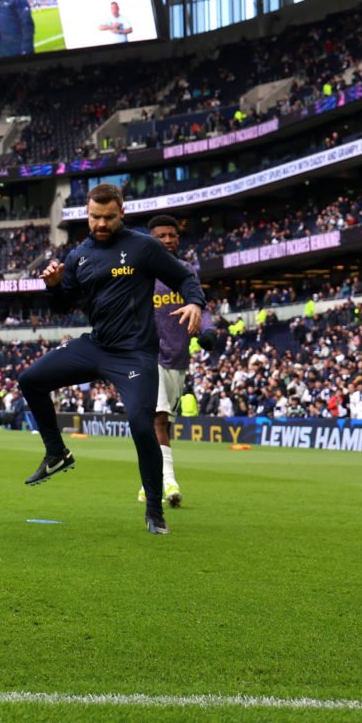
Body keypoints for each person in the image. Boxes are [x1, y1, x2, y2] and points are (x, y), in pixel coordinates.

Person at [19, 184, 206, 534]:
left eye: (108, 217)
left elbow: (183, 276)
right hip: (96, 346)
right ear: (86, 214)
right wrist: (55, 285)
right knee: (30, 380)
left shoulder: (144, 247)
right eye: (95, 217)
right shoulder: (79, 256)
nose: (101, 223)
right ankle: (56, 452)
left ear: (122, 213)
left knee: (141, 425)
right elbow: (62, 306)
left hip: (135, 353)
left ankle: (154, 511)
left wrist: (195, 302)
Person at [146, 214, 220, 508]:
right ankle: (169, 482)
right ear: (150, 239)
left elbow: (200, 304)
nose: (167, 240)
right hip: (148, 355)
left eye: (172, 235)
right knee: (159, 419)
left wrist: (208, 331)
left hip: (178, 358)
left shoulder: (186, 271)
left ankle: (149, 478)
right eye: (161, 236)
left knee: (165, 424)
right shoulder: (141, 272)